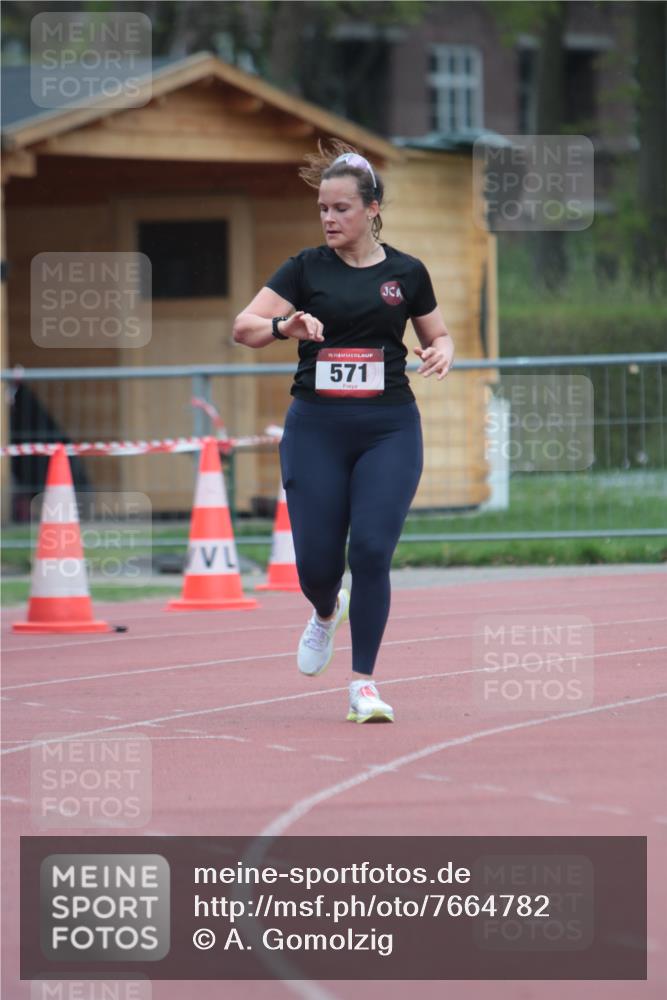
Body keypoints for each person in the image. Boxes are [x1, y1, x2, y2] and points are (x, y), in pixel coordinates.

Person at [233, 139, 454, 723]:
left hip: (388, 427)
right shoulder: (305, 268)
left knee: (374, 550)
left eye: (342, 209)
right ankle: (325, 612)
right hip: (317, 429)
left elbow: (439, 334)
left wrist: (442, 352)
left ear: (373, 209)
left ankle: (363, 685)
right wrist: (287, 325)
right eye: (323, 210)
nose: (330, 219)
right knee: (317, 567)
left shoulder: (407, 273)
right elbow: (244, 326)